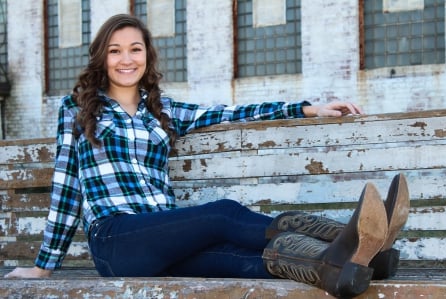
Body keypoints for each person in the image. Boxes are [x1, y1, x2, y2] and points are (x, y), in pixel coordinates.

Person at [5, 14, 409, 298]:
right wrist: (44, 265)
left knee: (240, 259)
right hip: (116, 241)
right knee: (222, 214)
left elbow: (232, 112)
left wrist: (306, 109)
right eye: (114, 51)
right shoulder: (77, 108)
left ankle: (349, 266)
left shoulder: (162, 112)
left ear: (147, 55)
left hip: (161, 241)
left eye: (134, 49)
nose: (126, 59)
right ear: (101, 57)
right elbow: (66, 188)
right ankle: (347, 235)